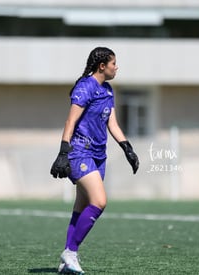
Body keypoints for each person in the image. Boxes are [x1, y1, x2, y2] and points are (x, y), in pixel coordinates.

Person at [50, 47, 139, 274]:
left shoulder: (108, 90)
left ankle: (66, 261)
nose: (116, 67)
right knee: (99, 202)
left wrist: (127, 148)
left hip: (100, 156)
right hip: (80, 152)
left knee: (81, 206)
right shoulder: (85, 87)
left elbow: (113, 124)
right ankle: (70, 253)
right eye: (113, 64)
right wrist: (63, 152)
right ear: (102, 66)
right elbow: (70, 122)